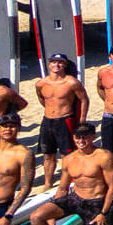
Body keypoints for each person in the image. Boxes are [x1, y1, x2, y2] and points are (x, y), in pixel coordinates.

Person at [26, 123, 113, 225]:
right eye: (78, 137)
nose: (81, 141)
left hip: (96, 203)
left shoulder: (104, 156)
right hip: (75, 198)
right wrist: (52, 216)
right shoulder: (69, 159)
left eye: (85, 137)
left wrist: (103, 213)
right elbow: (63, 188)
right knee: (36, 217)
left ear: (93, 137)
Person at [34, 52, 89, 187]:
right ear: (49, 64)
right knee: (48, 154)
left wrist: (82, 118)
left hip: (65, 120)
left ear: (64, 65)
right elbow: (42, 99)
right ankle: (48, 182)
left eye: (59, 62)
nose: (56, 65)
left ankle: (66, 181)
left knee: (67, 154)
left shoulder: (71, 82)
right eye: (53, 62)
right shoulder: (41, 83)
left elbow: (84, 99)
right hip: (47, 121)